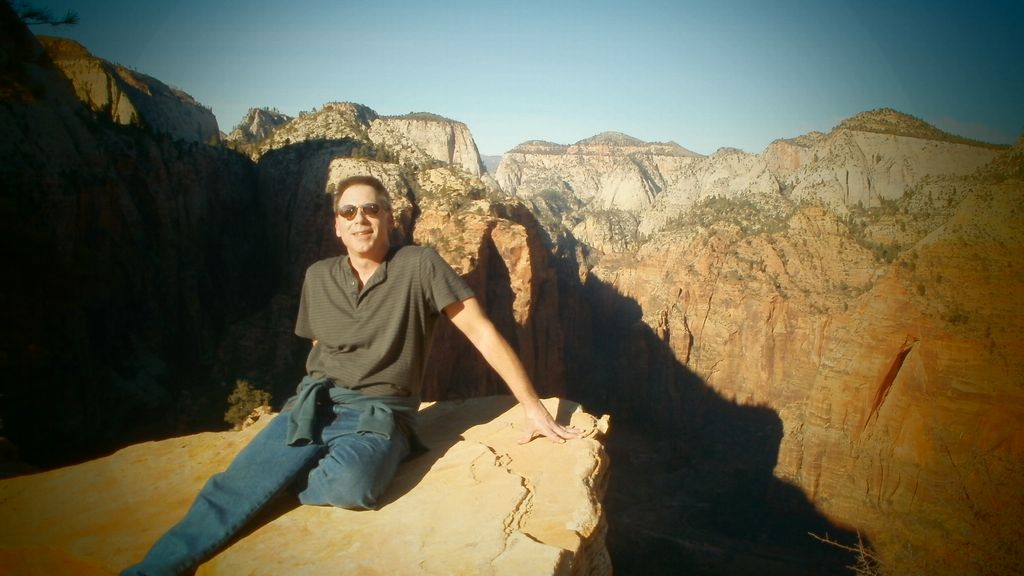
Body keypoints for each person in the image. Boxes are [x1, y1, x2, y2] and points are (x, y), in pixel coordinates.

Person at [123, 175, 579, 575]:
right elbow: (319, 346)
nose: (360, 218)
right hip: (315, 402)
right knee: (229, 490)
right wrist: (298, 407)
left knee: (354, 488)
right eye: (349, 211)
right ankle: (152, 570)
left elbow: (481, 331)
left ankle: (296, 476)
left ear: (389, 219)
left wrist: (532, 408)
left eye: (371, 209)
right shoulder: (318, 275)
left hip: (381, 411)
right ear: (336, 225)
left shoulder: (418, 265)